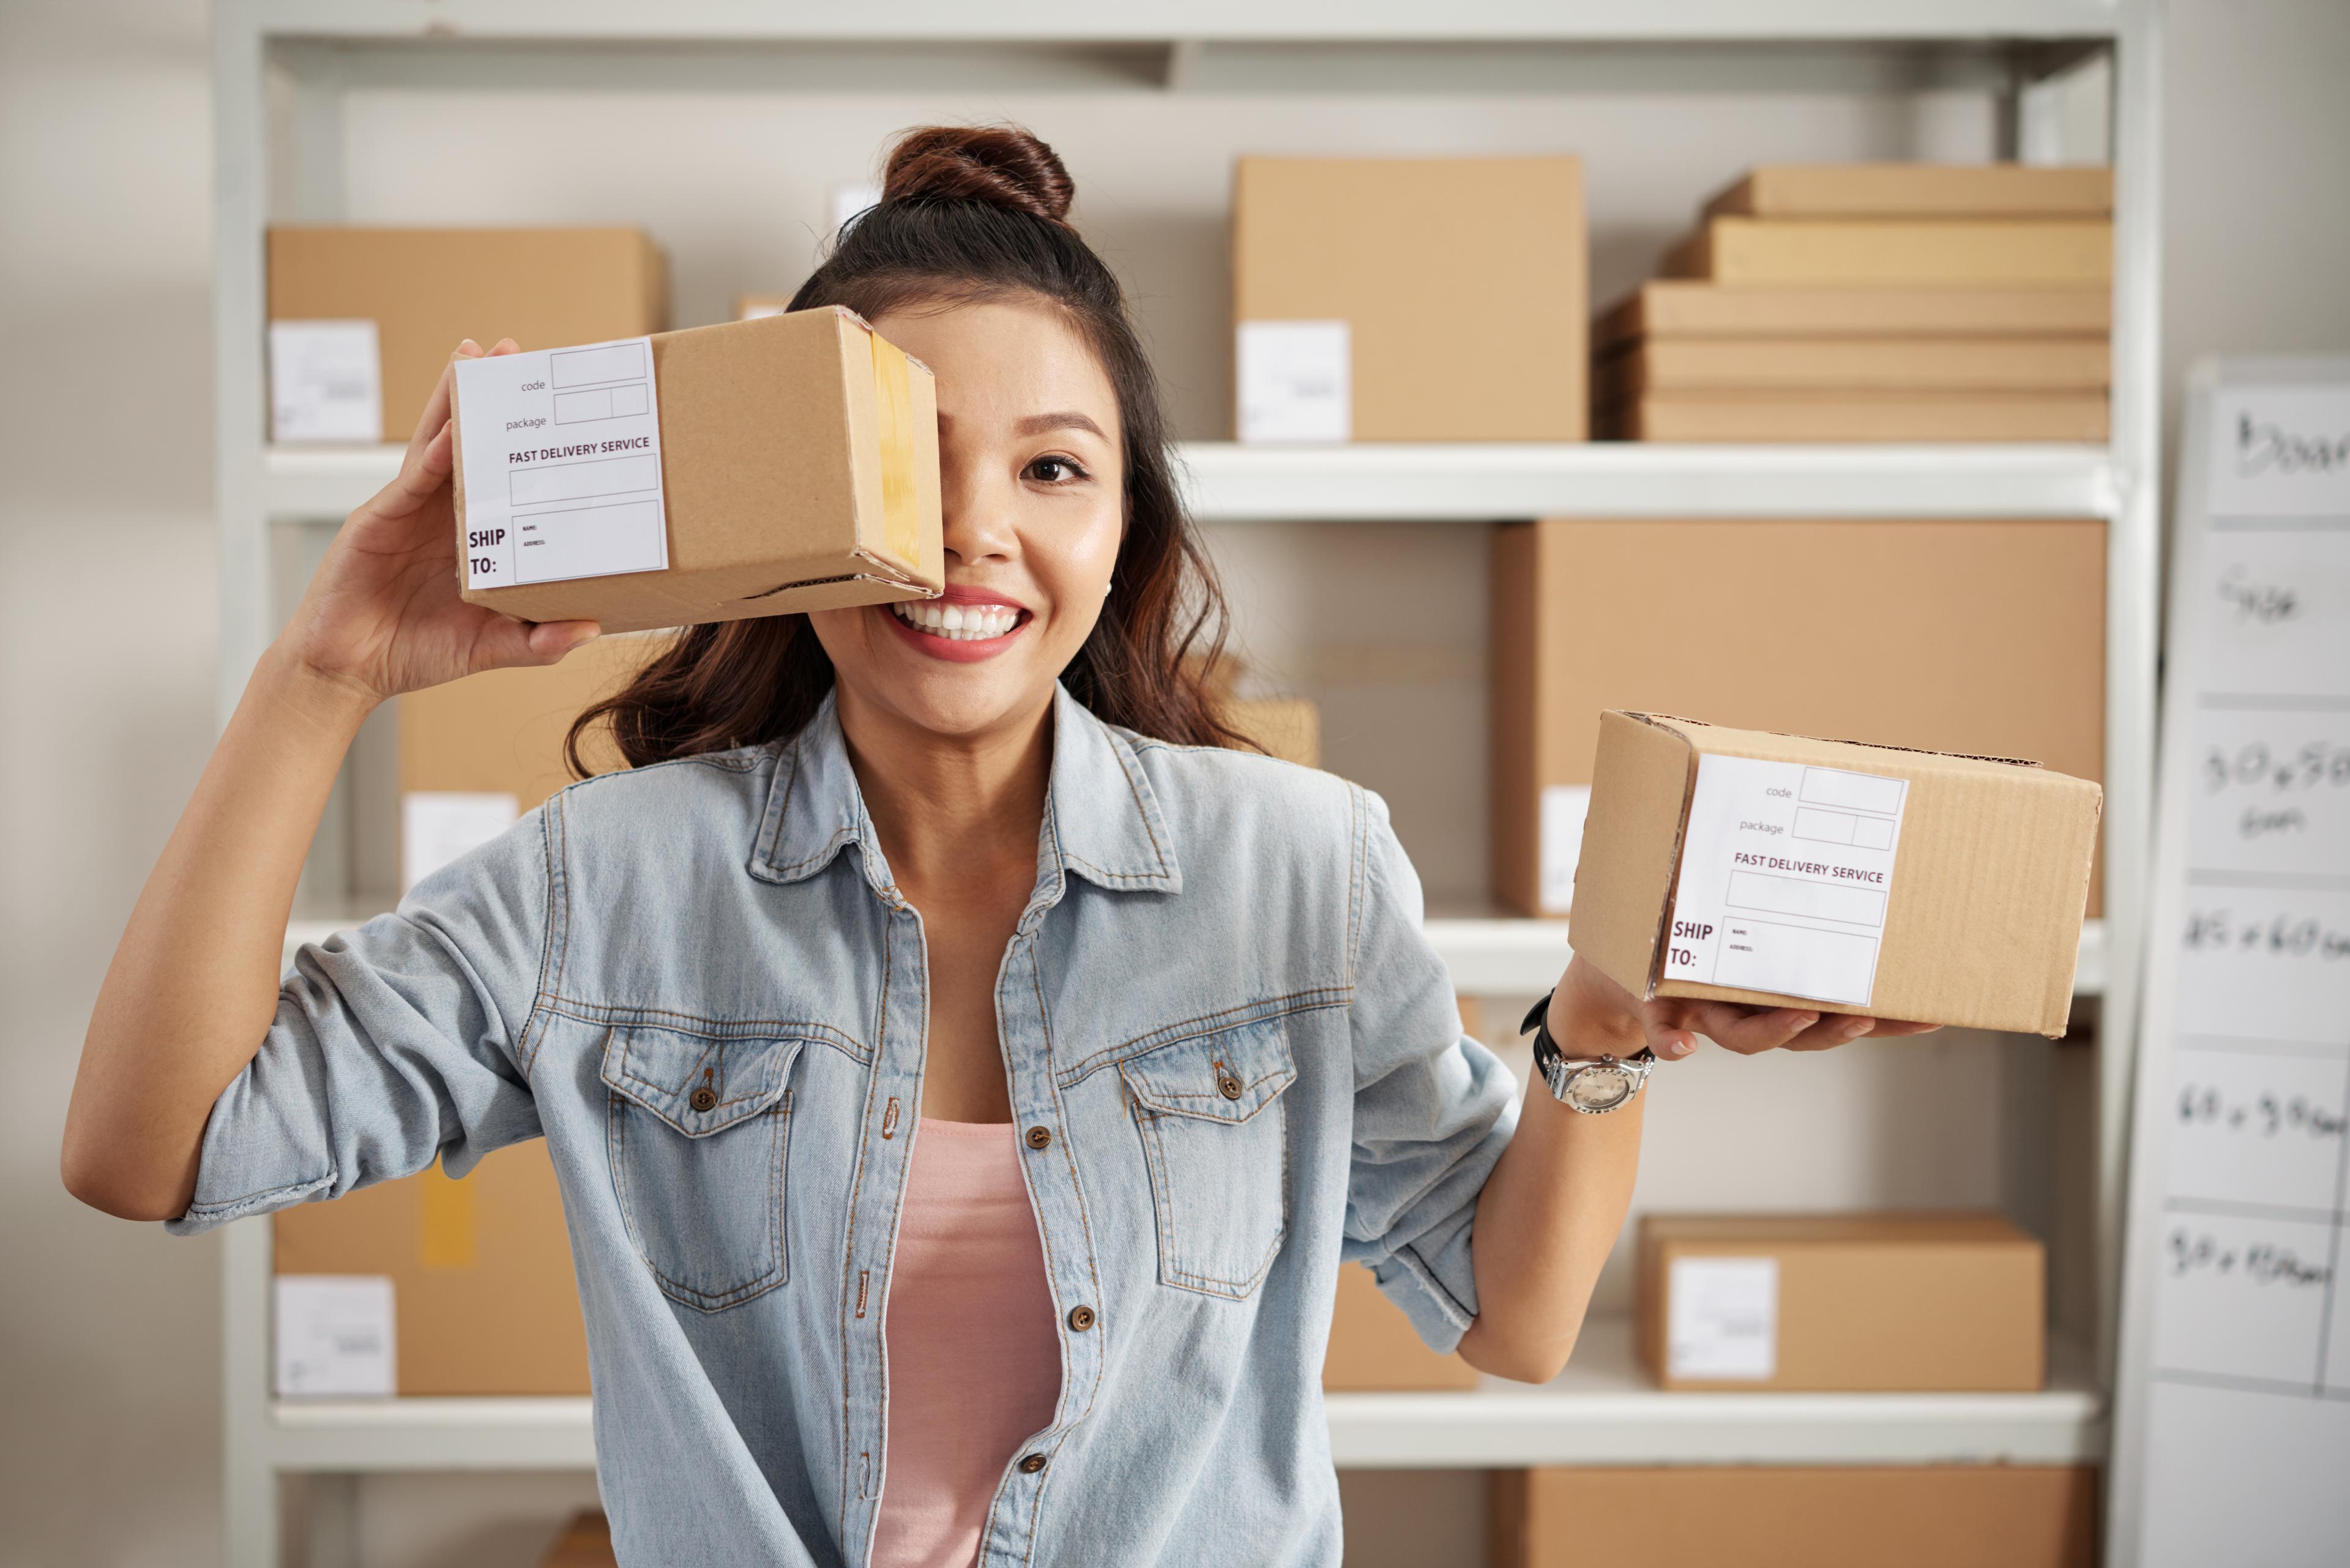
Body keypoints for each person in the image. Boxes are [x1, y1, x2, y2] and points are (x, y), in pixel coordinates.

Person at [62, 125, 1931, 1568]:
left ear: (1125, 528)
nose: (971, 535)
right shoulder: (605, 887)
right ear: (790, 512)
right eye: (906, 462)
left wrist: (1607, 1015)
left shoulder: (1303, 868)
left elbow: (1512, 1316)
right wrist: (324, 672)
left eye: (1050, 466)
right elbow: (154, 1151)